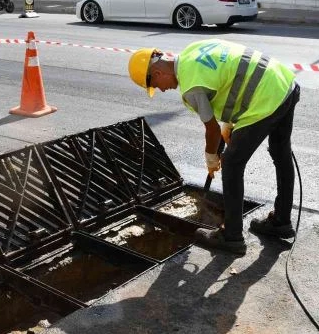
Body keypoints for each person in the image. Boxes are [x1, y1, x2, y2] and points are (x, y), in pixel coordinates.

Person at [128, 39, 300, 256]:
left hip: (265, 98)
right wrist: (230, 122)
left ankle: (232, 236)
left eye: (153, 85)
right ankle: (281, 221)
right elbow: (230, 74)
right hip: (284, 82)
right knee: (281, 154)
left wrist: (212, 157)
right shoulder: (192, 49)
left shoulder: (190, 87)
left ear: (157, 72)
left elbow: (211, 131)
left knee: (231, 164)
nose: (159, 90)